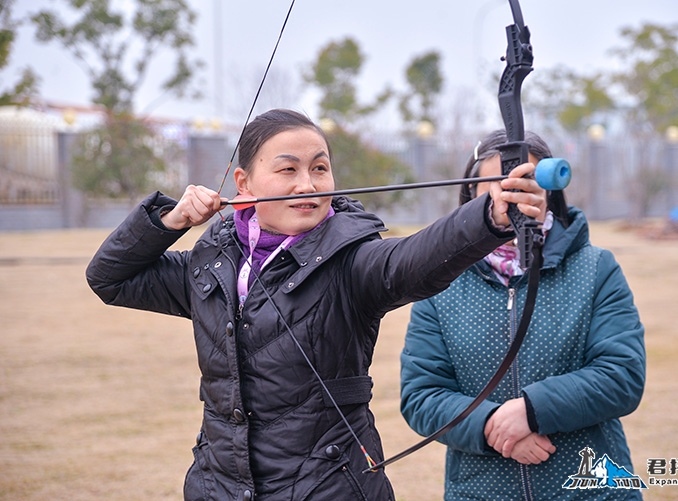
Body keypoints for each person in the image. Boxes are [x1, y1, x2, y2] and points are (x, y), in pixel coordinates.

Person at [85, 109, 546, 501]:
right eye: (288, 170)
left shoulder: (353, 259)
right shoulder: (212, 262)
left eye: (319, 168)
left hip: (331, 485)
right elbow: (109, 277)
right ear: (243, 183)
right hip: (219, 485)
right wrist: (170, 220)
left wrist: (490, 215)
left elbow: (414, 261)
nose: (307, 183)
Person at [400, 130, 646, 500]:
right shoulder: (441, 283)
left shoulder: (596, 268)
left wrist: (532, 410)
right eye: (497, 186)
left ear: (549, 189)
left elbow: (621, 376)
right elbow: (422, 396)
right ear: (471, 195)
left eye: (525, 182)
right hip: (480, 491)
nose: (510, 197)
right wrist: (492, 427)